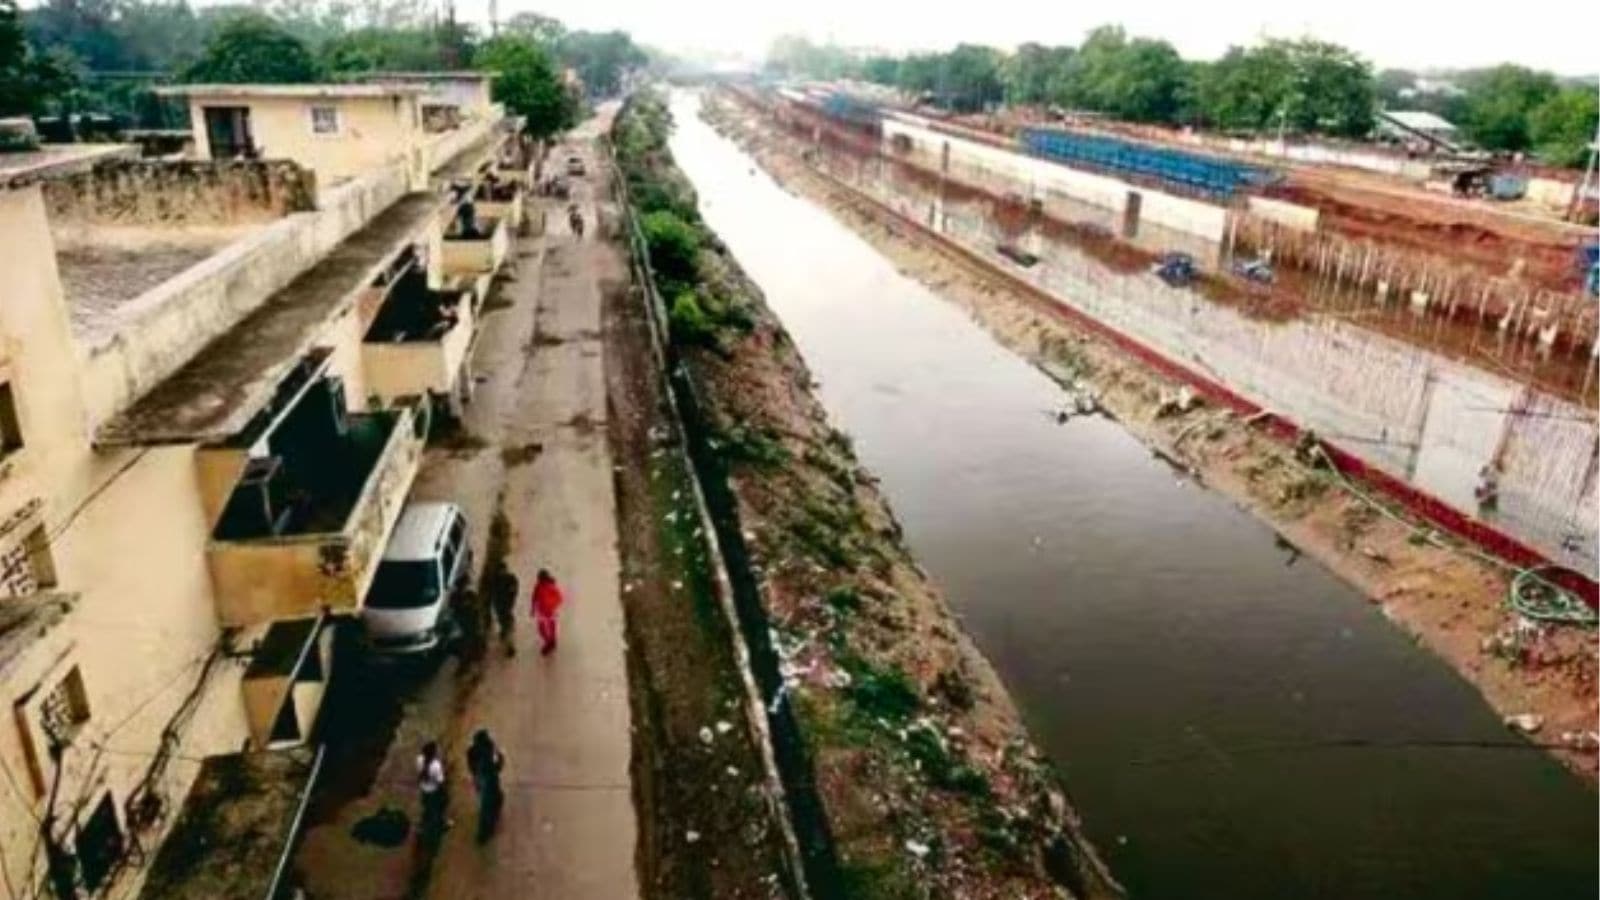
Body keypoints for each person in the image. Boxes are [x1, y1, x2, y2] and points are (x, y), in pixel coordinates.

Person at [465, 729, 506, 842]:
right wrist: (501, 755)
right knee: (490, 804)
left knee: (486, 802)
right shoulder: (490, 751)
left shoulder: (471, 751)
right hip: (490, 780)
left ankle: (486, 828)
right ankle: (486, 831)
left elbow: (470, 766)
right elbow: (498, 766)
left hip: (479, 780)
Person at [416, 741, 450, 841]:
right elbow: (440, 781)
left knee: (427, 807)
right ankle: (440, 825)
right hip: (434, 790)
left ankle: (423, 824)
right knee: (437, 809)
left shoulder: (419, 759)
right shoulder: (435, 765)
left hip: (424, 788)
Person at [531, 569, 565, 656]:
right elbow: (534, 597)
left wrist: (551, 605)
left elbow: (559, 598)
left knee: (551, 626)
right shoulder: (538, 586)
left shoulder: (551, 586)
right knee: (541, 628)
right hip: (541, 610)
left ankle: (551, 641)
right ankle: (549, 641)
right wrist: (533, 608)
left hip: (550, 611)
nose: (540, 581)